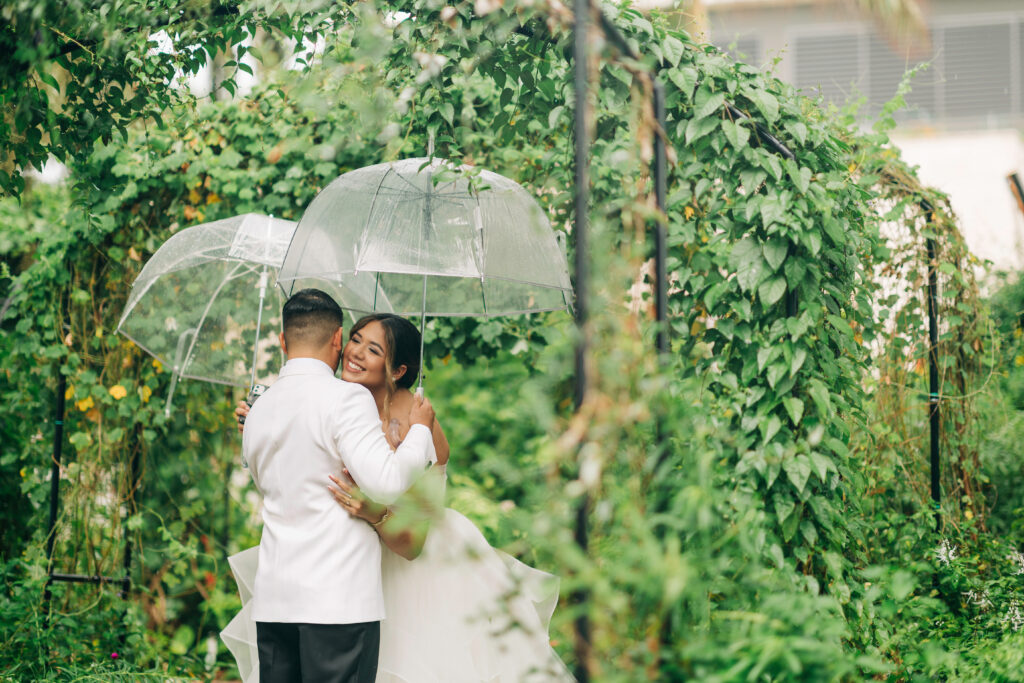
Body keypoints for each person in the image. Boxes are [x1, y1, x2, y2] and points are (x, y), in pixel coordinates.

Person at [229, 312, 573, 682]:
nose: (355, 353)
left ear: (397, 370)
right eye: (355, 339)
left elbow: (413, 544)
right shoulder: (334, 403)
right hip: (335, 577)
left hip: (414, 580)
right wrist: (262, 420)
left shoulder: (416, 423)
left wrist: (374, 512)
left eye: (373, 349)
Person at [239, 291, 438, 683]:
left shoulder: (257, 408)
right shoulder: (346, 398)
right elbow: (390, 482)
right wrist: (419, 430)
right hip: (337, 604)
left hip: (274, 601)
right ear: (337, 339)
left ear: (283, 341)